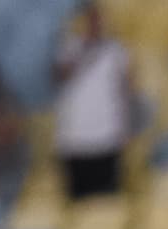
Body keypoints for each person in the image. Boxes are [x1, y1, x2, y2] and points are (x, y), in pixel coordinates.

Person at [51, 2, 134, 199]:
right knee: (78, 204)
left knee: (105, 206)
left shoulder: (116, 51)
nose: (94, 24)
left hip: (106, 138)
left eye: (97, 20)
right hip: (74, 141)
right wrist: (85, 48)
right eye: (89, 20)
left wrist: (125, 127)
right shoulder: (68, 49)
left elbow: (127, 88)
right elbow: (59, 76)